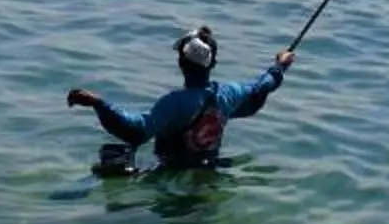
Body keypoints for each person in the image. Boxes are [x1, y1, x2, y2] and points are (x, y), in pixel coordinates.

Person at [67, 26, 294, 170]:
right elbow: (261, 87)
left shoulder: (174, 103)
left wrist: (99, 104)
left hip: (169, 171)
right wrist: (279, 65)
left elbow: (135, 132)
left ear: (180, 63)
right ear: (213, 64)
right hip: (207, 170)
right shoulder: (228, 94)